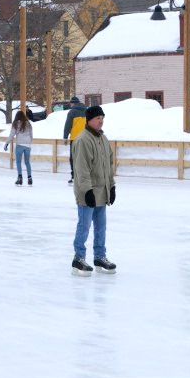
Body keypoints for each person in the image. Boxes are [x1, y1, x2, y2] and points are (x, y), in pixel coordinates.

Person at [71, 105, 116, 277]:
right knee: (84, 226)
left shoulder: (102, 139)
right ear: (89, 120)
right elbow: (82, 170)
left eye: (102, 118)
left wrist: (111, 186)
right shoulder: (83, 140)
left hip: (102, 191)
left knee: (101, 227)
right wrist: (87, 191)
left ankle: (99, 256)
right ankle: (78, 258)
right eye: (98, 118)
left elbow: (108, 166)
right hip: (87, 192)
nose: (101, 121)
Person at [4, 110, 33, 186]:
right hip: (28, 145)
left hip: (20, 144)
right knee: (27, 162)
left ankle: (20, 178)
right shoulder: (28, 123)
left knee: (18, 162)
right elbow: (31, 134)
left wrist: (7, 143)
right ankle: (30, 178)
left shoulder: (16, 124)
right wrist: (29, 142)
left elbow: (12, 134)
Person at [63, 97, 86, 185]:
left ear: (73, 103)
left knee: (73, 158)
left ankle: (74, 177)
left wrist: (65, 137)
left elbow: (68, 125)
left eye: (71, 104)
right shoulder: (87, 111)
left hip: (75, 139)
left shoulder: (72, 112)